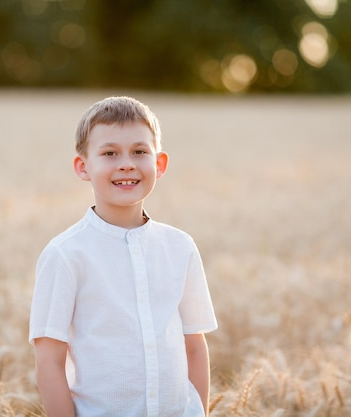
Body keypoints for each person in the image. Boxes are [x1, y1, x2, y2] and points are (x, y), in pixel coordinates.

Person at [28, 96, 218, 417]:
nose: (126, 163)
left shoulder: (180, 246)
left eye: (140, 152)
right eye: (110, 153)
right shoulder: (65, 254)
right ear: (83, 166)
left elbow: (194, 345)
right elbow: (49, 361)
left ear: (159, 164)